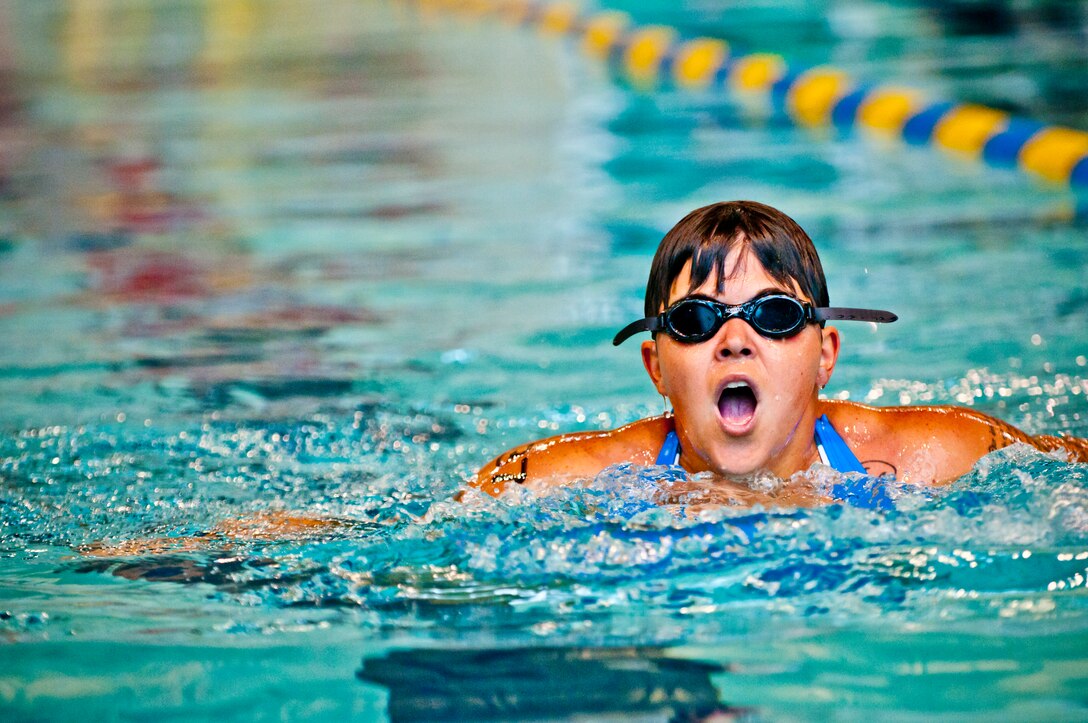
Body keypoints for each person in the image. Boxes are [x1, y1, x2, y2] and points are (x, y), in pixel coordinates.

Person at [473, 201, 1087, 505]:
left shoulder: (937, 452)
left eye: (773, 316)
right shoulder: (573, 479)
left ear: (826, 355)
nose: (736, 340)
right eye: (695, 320)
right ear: (656, 367)